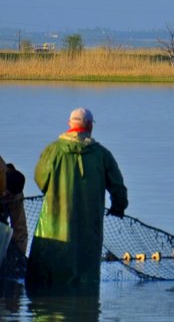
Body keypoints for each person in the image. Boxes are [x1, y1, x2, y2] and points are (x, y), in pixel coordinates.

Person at [25, 107, 127, 291]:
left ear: (69, 124)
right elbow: (118, 188)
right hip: (89, 228)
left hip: (55, 226)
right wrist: (118, 208)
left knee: (50, 277)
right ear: (89, 126)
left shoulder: (53, 150)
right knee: (85, 280)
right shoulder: (102, 154)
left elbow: (41, 180)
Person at [0, 154, 29, 280]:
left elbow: (19, 227)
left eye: (9, 195)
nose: (6, 195)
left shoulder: (16, 197)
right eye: (5, 192)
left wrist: (20, 257)